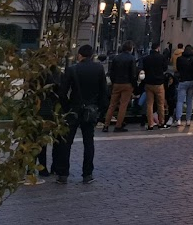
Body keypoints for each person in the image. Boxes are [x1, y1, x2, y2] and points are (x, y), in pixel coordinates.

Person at [53, 44, 107, 185]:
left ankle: (63, 174)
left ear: (79, 55)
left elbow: (62, 93)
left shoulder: (72, 69)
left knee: (67, 142)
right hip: (91, 110)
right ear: (91, 55)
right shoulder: (99, 68)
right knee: (88, 142)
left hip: (74, 109)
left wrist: (67, 107)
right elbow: (104, 92)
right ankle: (87, 174)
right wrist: (99, 110)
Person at [102, 40, 138, 132]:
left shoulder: (116, 58)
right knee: (123, 105)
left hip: (117, 83)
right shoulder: (131, 58)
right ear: (131, 48)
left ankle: (106, 125)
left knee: (112, 104)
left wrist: (114, 82)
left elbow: (111, 72)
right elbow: (133, 74)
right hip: (127, 84)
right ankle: (118, 125)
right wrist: (134, 86)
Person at [142, 42, 168, 130]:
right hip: (159, 83)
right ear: (158, 48)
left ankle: (150, 124)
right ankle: (161, 122)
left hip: (148, 83)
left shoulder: (146, 58)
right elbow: (165, 68)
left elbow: (143, 68)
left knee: (149, 104)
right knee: (160, 104)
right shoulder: (162, 57)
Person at [174, 43, 193, 127]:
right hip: (192, 81)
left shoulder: (180, 59)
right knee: (189, 101)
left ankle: (179, 119)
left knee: (180, 101)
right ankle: (188, 120)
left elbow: (178, 69)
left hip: (183, 80)